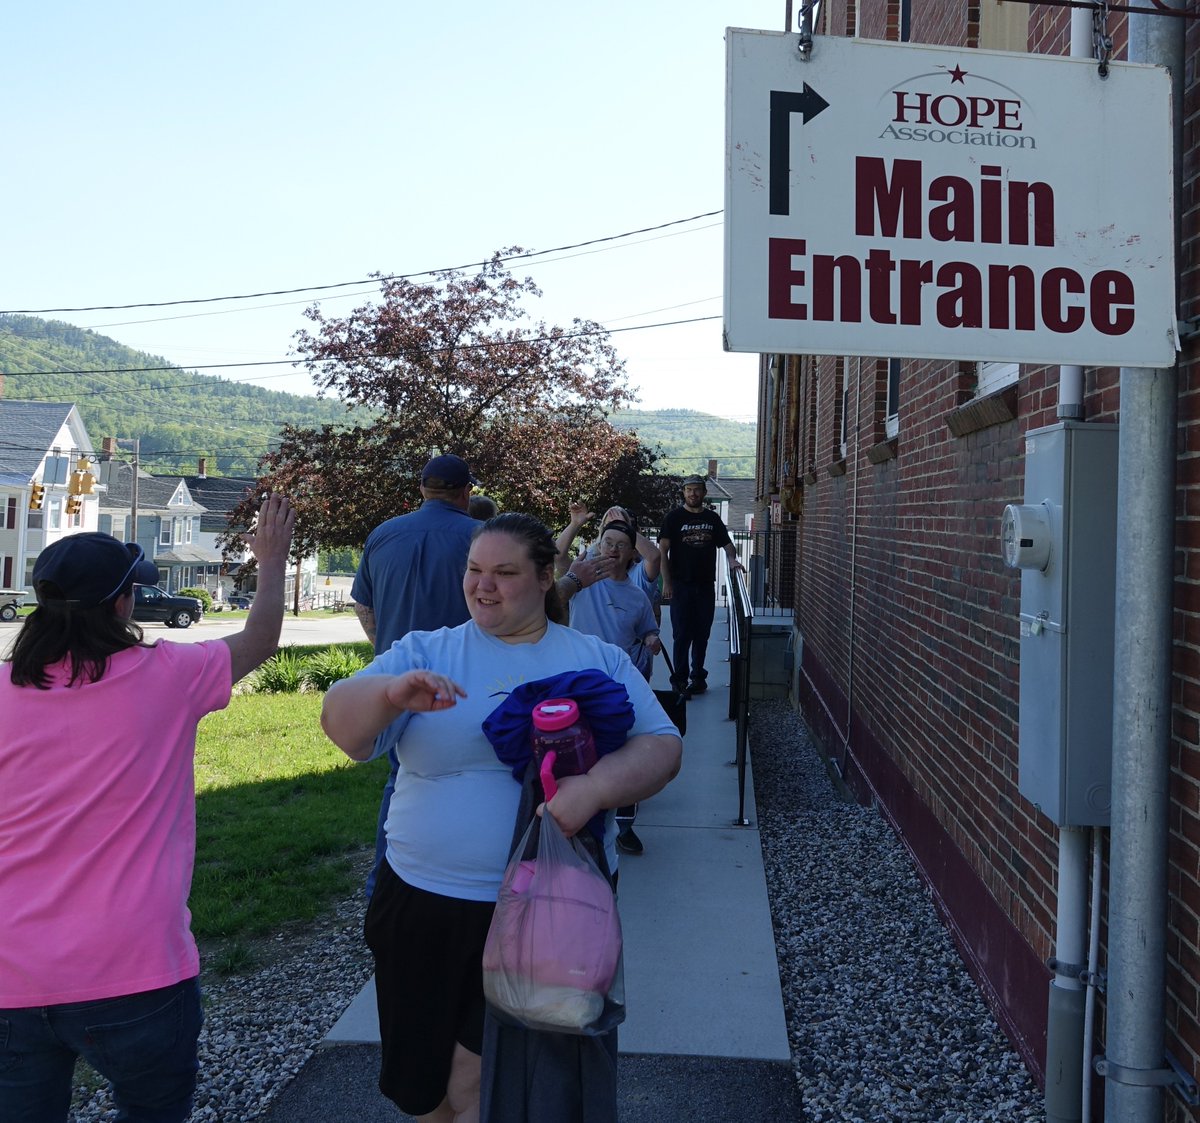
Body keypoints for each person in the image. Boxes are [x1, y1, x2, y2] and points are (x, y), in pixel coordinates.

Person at [321, 512, 682, 1123]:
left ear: (547, 577)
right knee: (421, 1090)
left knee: (484, 1083)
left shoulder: (593, 658)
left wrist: (594, 789)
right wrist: (387, 695)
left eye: (504, 573)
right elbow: (342, 728)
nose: (483, 586)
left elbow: (662, 746)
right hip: (420, 901)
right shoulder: (427, 651)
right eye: (475, 570)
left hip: (542, 910)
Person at [0, 496, 295, 1123]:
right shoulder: (169, 675)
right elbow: (261, 638)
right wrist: (270, 563)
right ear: (122, 604)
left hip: (10, 972)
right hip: (136, 969)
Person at [352, 454, 481, 896]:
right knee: (468, 778)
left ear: (422, 489)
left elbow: (364, 606)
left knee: (401, 776)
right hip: (462, 680)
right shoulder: (479, 537)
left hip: (395, 682)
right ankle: (448, 879)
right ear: (466, 493)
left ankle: (385, 884)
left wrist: (387, 651)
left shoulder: (383, 535)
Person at [565, 518, 662, 858]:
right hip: (578, 682)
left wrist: (652, 640)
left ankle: (623, 827)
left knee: (622, 754)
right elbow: (558, 557)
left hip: (620, 686)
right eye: (607, 542)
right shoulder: (581, 582)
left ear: (630, 553)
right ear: (599, 545)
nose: (612, 550)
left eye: (621, 545)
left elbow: (649, 629)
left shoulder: (637, 596)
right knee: (579, 752)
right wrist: (576, 523)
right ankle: (577, 820)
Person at [659, 474, 746, 696]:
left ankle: (697, 677)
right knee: (681, 635)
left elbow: (727, 544)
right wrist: (667, 582)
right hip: (681, 585)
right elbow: (662, 552)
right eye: (689, 490)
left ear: (704, 493)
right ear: (684, 492)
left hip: (706, 585)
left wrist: (733, 559)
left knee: (701, 634)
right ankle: (679, 681)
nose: (693, 494)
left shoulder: (713, 519)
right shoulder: (673, 518)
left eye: (697, 490)